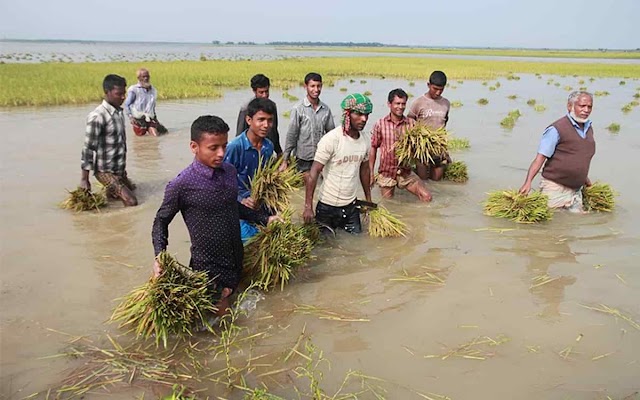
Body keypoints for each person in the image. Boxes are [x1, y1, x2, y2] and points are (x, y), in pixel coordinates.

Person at [152, 115, 280, 316]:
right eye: (213, 148)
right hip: (209, 267)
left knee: (239, 305)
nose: (221, 153)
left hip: (236, 256)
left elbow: (234, 207)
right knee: (223, 323)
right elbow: (161, 221)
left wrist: (265, 219)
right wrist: (160, 256)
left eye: (224, 146)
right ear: (194, 147)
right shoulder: (182, 185)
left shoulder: (229, 171)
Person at [302, 93, 373, 234]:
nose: (364, 119)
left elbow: (364, 171)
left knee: (355, 246)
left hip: (351, 206)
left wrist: (368, 200)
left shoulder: (365, 140)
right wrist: (308, 206)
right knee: (326, 249)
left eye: (366, 114)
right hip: (327, 207)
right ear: (347, 114)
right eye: (358, 114)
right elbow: (314, 172)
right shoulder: (332, 139)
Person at [519, 91, 595, 213]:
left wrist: (586, 181)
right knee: (551, 226)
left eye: (589, 106)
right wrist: (528, 182)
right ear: (570, 106)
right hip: (555, 188)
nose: (586, 110)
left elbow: (579, 159)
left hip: (576, 190)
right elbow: (540, 159)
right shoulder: (556, 129)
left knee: (575, 226)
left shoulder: (588, 129)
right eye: (582, 106)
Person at [80, 74, 138, 207]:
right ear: (107, 92)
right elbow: (88, 149)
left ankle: (111, 197)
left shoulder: (118, 112)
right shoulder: (98, 116)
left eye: (124, 94)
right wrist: (84, 179)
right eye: (119, 94)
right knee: (131, 201)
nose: (123, 97)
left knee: (133, 190)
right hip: (105, 171)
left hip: (119, 169)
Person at [224, 98, 276, 243]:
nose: (266, 125)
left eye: (269, 120)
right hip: (239, 208)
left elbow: (266, 178)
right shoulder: (235, 147)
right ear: (248, 120)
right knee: (250, 244)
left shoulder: (268, 147)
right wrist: (241, 199)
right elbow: (222, 182)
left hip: (260, 204)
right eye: (261, 120)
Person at [369, 89, 432, 202]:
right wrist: (370, 173)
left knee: (426, 197)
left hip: (405, 171)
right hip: (387, 173)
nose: (401, 107)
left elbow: (418, 150)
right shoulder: (380, 124)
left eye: (403, 104)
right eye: (397, 103)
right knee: (389, 204)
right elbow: (373, 147)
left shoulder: (411, 124)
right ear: (389, 104)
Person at [281, 72, 335, 182]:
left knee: (320, 187)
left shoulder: (326, 109)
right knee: (305, 189)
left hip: (320, 158)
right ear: (305, 87)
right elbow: (292, 135)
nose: (316, 89)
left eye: (318, 86)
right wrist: (285, 160)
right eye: (312, 86)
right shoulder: (298, 109)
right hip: (302, 159)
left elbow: (332, 135)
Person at [407, 70, 451, 181]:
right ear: (428, 85)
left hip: (438, 147)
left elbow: (444, 124)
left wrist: (445, 149)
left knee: (436, 181)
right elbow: (410, 118)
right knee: (423, 181)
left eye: (441, 90)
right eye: (435, 89)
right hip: (422, 148)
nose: (437, 93)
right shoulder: (419, 102)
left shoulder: (446, 103)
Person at [235, 74, 282, 156]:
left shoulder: (272, 107)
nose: (264, 95)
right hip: (252, 150)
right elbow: (240, 134)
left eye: (266, 91)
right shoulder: (246, 108)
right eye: (261, 92)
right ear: (254, 91)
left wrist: (279, 152)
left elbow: (274, 131)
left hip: (267, 150)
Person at [124, 68, 166, 137]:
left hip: (150, 118)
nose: (146, 78)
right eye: (143, 77)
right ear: (139, 78)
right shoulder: (134, 90)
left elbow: (152, 106)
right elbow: (127, 104)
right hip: (138, 119)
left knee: (156, 136)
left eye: (147, 76)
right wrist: (131, 117)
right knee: (140, 139)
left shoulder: (153, 90)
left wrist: (155, 118)